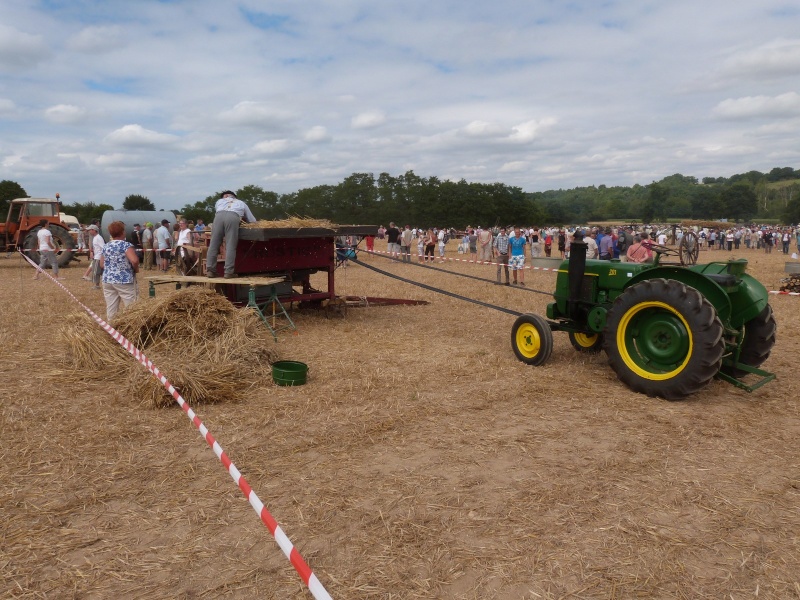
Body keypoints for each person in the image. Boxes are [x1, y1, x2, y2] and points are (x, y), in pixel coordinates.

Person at [206, 190, 256, 278]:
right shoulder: (241, 203)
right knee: (230, 245)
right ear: (234, 196)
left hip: (218, 217)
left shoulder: (219, 201)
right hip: (233, 217)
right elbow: (252, 220)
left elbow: (220, 211)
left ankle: (210, 271)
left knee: (213, 244)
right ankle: (228, 272)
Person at [100, 221, 140, 321]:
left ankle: (112, 329)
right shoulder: (126, 245)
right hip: (124, 280)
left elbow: (101, 264)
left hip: (107, 279)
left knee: (111, 308)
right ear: (122, 232)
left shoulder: (106, 246)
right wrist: (136, 269)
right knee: (132, 306)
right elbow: (134, 260)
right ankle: (133, 327)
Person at [88, 224, 105, 289]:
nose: (89, 231)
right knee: (100, 272)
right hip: (97, 256)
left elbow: (103, 247)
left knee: (96, 271)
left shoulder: (98, 238)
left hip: (98, 257)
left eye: (90, 230)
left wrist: (102, 257)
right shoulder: (95, 238)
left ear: (94, 230)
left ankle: (97, 285)